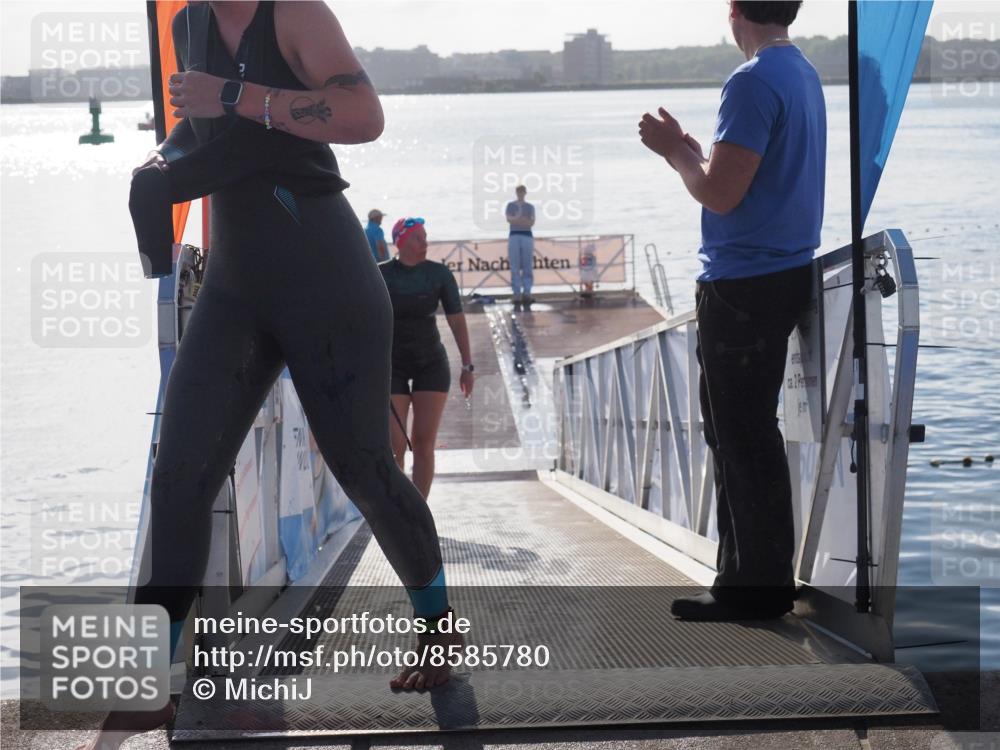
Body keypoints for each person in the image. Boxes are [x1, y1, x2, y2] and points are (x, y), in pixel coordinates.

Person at [86, 3, 459, 749]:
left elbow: (363, 114)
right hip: (235, 287)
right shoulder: (188, 24)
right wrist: (159, 165)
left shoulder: (293, 12)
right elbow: (199, 132)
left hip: (325, 274)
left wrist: (231, 96)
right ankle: (153, 681)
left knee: (364, 468)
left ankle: (439, 633)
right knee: (179, 475)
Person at [638, 0, 825, 621]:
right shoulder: (802, 73)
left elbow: (720, 194)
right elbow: (748, 176)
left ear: (734, 11)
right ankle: (763, 577)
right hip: (786, 272)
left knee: (736, 435)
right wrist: (698, 150)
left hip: (744, 283)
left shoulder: (751, 80)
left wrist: (675, 154)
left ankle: (751, 589)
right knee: (750, 433)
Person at [381, 217, 474, 499]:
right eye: (418, 238)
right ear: (401, 242)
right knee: (394, 444)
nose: (425, 243)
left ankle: (419, 511)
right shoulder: (381, 275)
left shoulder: (439, 275)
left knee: (423, 443)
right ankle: (398, 510)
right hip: (392, 365)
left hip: (431, 363)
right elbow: (362, 320)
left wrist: (467, 365)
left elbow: (457, 321)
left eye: (425, 237)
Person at [505, 184, 535, 305]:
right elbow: (509, 219)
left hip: (527, 236)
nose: (520, 193)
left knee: (527, 265)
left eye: (522, 191)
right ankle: (516, 293)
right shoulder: (511, 205)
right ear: (516, 193)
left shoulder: (530, 207)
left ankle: (527, 292)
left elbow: (531, 222)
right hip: (514, 236)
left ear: (525, 193)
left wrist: (519, 221)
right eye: (519, 191)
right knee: (515, 266)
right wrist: (522, 221)